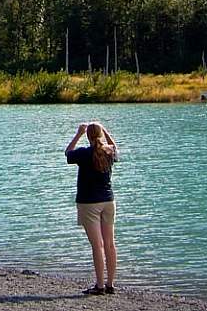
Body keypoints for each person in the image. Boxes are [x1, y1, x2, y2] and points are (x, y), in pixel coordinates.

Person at [65, 121, 119, 295]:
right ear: (101, 135)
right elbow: (115, 147)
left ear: (88, 136)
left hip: (89, 203)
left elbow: (68, 153)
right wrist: (105, 130)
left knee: (97, 246)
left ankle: (100, 286)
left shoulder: (84, 153)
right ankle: (110, 284)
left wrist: (78, 134)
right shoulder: (108, 151)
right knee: (110, 244)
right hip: (108, 201)